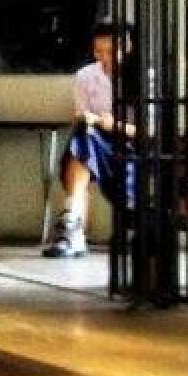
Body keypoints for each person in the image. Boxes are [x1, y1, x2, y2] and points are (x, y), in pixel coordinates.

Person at [44, 23, 134, 259]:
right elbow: (81, 113)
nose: (104, 58)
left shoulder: (144, 76)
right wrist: (91, 119)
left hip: (131, 141)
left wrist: (115, 125)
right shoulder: (85, 75)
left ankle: (72, 226)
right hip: (95, 136)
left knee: (82, 145)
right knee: (83, 137)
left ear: (128, 48)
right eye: (98, 51)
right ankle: (73, 221)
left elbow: (151, 131)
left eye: (111, 51)